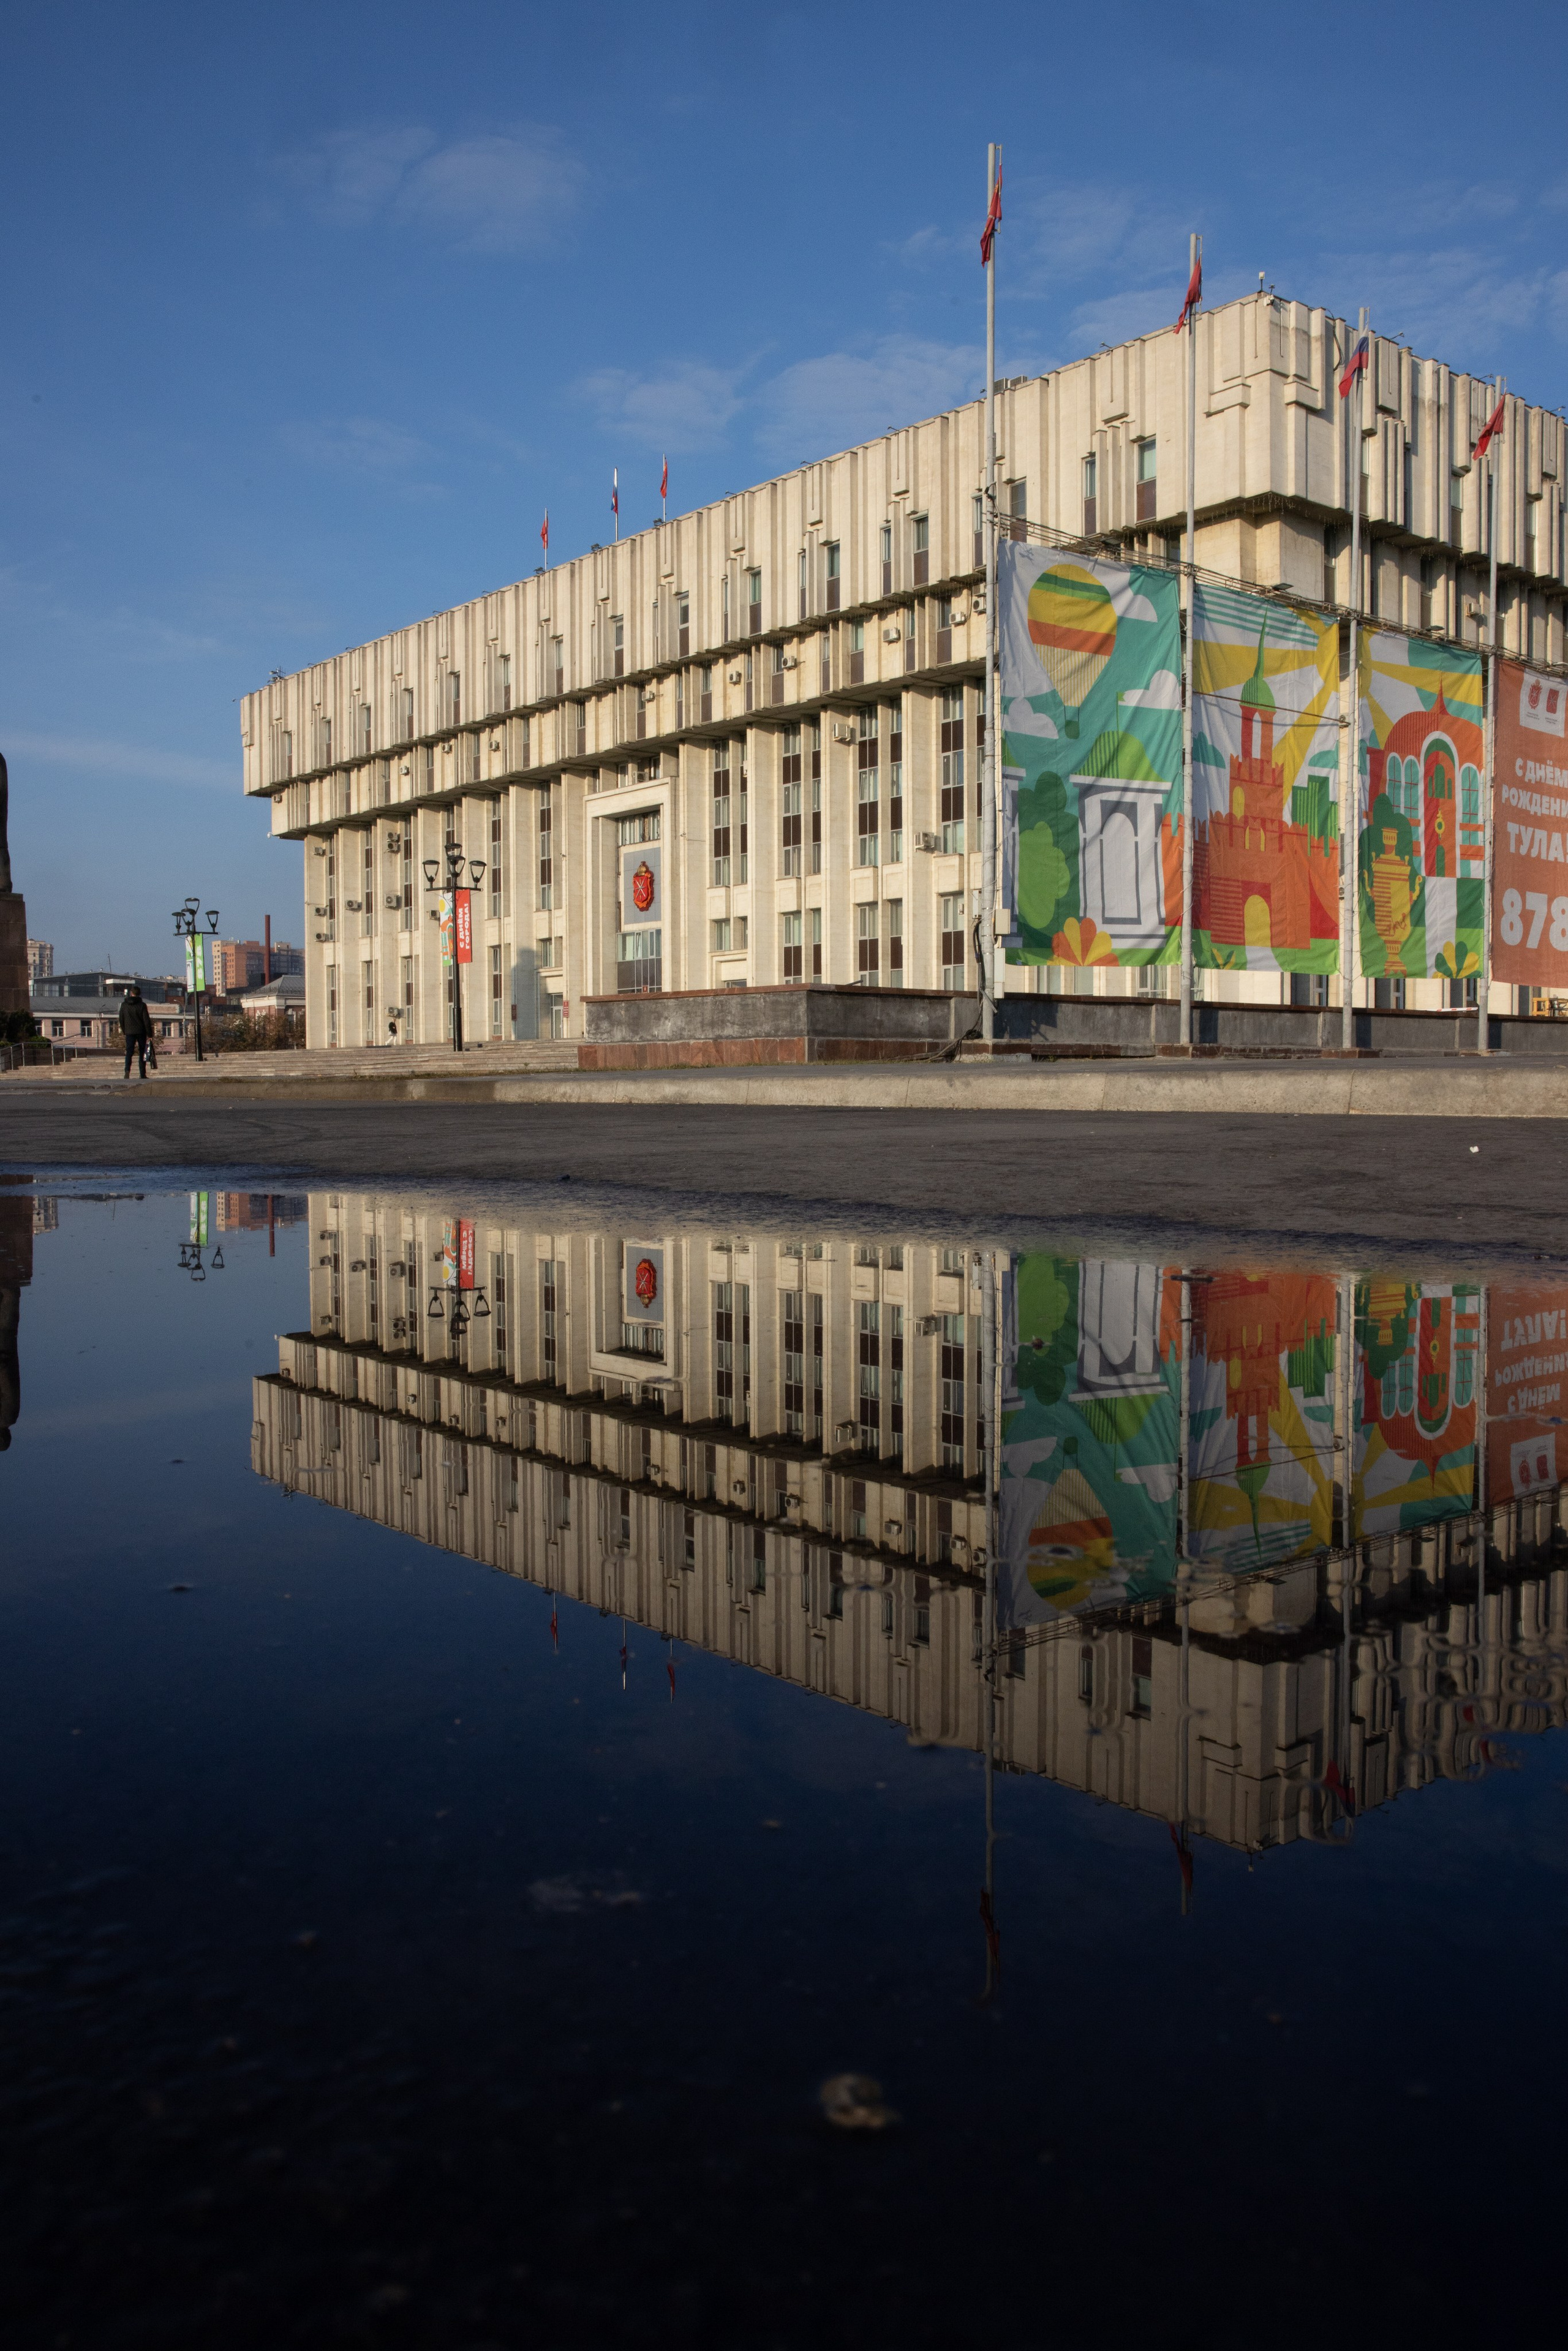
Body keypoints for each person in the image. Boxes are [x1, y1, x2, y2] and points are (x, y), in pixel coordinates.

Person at [119, 983, 153, 1080]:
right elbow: (146, 1020)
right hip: (141, 1032)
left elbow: (121, 1019)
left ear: (131, 993)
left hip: (129, 1032)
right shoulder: (142, 1005)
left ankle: (127, 1071)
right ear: (140, 994)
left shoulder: (124, 1005)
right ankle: (142, 1074)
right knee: (142, 1052)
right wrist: (150, 1034)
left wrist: (125, 1030)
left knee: (129, 1052)